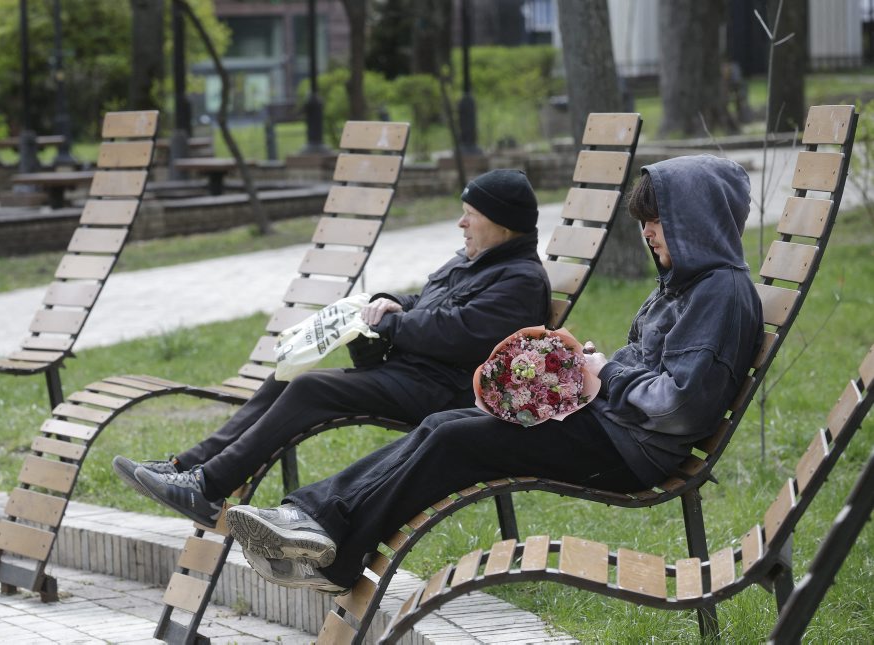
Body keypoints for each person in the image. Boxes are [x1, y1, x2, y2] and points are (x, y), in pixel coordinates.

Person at [223, 154, 765, 595]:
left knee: (454, 438)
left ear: (697, 220)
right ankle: (318, 526)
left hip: (629, 450)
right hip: (612, 425)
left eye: (658, 221)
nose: (647, 233)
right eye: (644, 222)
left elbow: (680, 404)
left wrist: (607, 372)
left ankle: (326, 540)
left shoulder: (718, 293)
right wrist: (587, 365)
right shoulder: (687, 284)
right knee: (444, 425)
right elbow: (652, 371)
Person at [112, 169, 553, 528]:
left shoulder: (520, 280)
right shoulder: (473, 259)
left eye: (470, 215)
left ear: (503, 224)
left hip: (444, 391)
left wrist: (392, 324)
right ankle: (186, 466)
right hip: (412, 374)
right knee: (288, 376)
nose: (461, 223)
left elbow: (459, 332)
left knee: (312, 388)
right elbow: (427, 302)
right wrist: (392, 302)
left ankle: (208, 489)